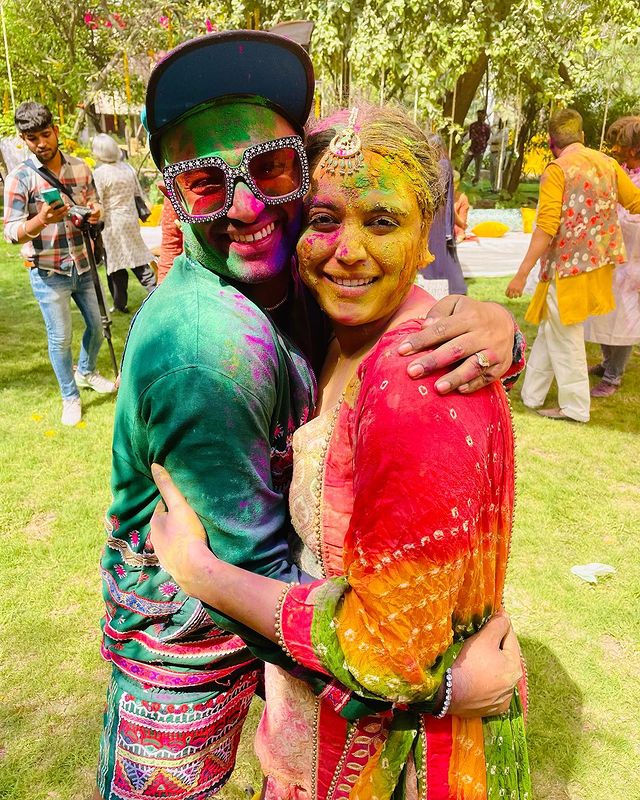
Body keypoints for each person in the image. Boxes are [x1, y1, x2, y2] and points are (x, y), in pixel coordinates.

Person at [97, 32, 525, 800]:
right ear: (169, 195)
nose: (246, 205)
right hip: (187, 654)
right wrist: (443, 686)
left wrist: (501, 332)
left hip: (280, 647)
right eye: (203, 183)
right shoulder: (209, 347)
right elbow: (253, 577)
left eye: (268, 167)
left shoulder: (305, 281)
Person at [506, 108, 640, 422]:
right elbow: (635, 201)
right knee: (551, 327)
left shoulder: (558, 169)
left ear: (553, 141)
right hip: (598, 264)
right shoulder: (607, 163)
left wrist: (522, 272)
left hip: (567, 268)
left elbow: (546, 225)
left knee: (565, 335)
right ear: (581, 136)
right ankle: (532, 394)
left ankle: (575, 407)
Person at [3, 102, 115, 426]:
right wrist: (40, 219)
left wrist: (95, 212)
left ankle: (87, 371)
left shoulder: (81, 168)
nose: (41, 143)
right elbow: (11, 232)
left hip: (85, 263)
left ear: (56, 130)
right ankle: (70, 396)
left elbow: (96, 206)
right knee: (60, 338)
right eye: (32, 137)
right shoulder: (19, 178)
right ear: (23, 139)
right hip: (49, 273)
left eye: (45, 134)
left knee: (98, 327)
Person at [584, 116, 640, 396]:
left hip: (633, 260)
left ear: (634, 148)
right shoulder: (622, 171)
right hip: (611, 256)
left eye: (622, 146)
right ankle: (607, 362)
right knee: (605, 311)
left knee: (625, 319)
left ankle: (614, 376)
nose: (616, 150)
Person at [91, 133, 156, 312]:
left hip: (112, 224)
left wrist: (97, 225)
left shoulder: (99, 174)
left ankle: (120, 303)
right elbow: (137, 193)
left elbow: (100, 203)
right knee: (139, 259)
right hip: (130, 219)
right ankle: (155, 293)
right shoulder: (128, 169)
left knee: (115, 265)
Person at [422, 137, 466, 295]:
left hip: (438, 217)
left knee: (438, 251)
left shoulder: (442, 164)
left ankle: (446, 286)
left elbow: (437, 191)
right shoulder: (440, 164)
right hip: (435, 214)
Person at [460, 109, 491, 185]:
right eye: (478, 115)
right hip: (472, 148)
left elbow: (487, 137)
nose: (480, 117)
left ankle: (475, 181)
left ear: (484, 116)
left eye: (481, 115)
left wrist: (483, 146)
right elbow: (470, 136)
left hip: (480, 149)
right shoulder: (473, 125)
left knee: (478, 167)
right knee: (465, 163)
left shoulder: (486, 127)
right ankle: (460, 177)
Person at [489, 120, 509, 191]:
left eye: (501, 122)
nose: (499, 123)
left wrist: (493, 141)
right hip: (492, 152)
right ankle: (492, 187)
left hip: (499, 153)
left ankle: (497, 188)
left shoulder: (505, 131)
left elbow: (498, 140)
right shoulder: (497, 131)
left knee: (498, 170)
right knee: (492, 171)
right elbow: (490, 141)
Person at [453, 169, 470, 242]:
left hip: (455, 229)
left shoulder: (462, 199)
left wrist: (450, 209)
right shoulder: (438, 197)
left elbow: (462, 224)